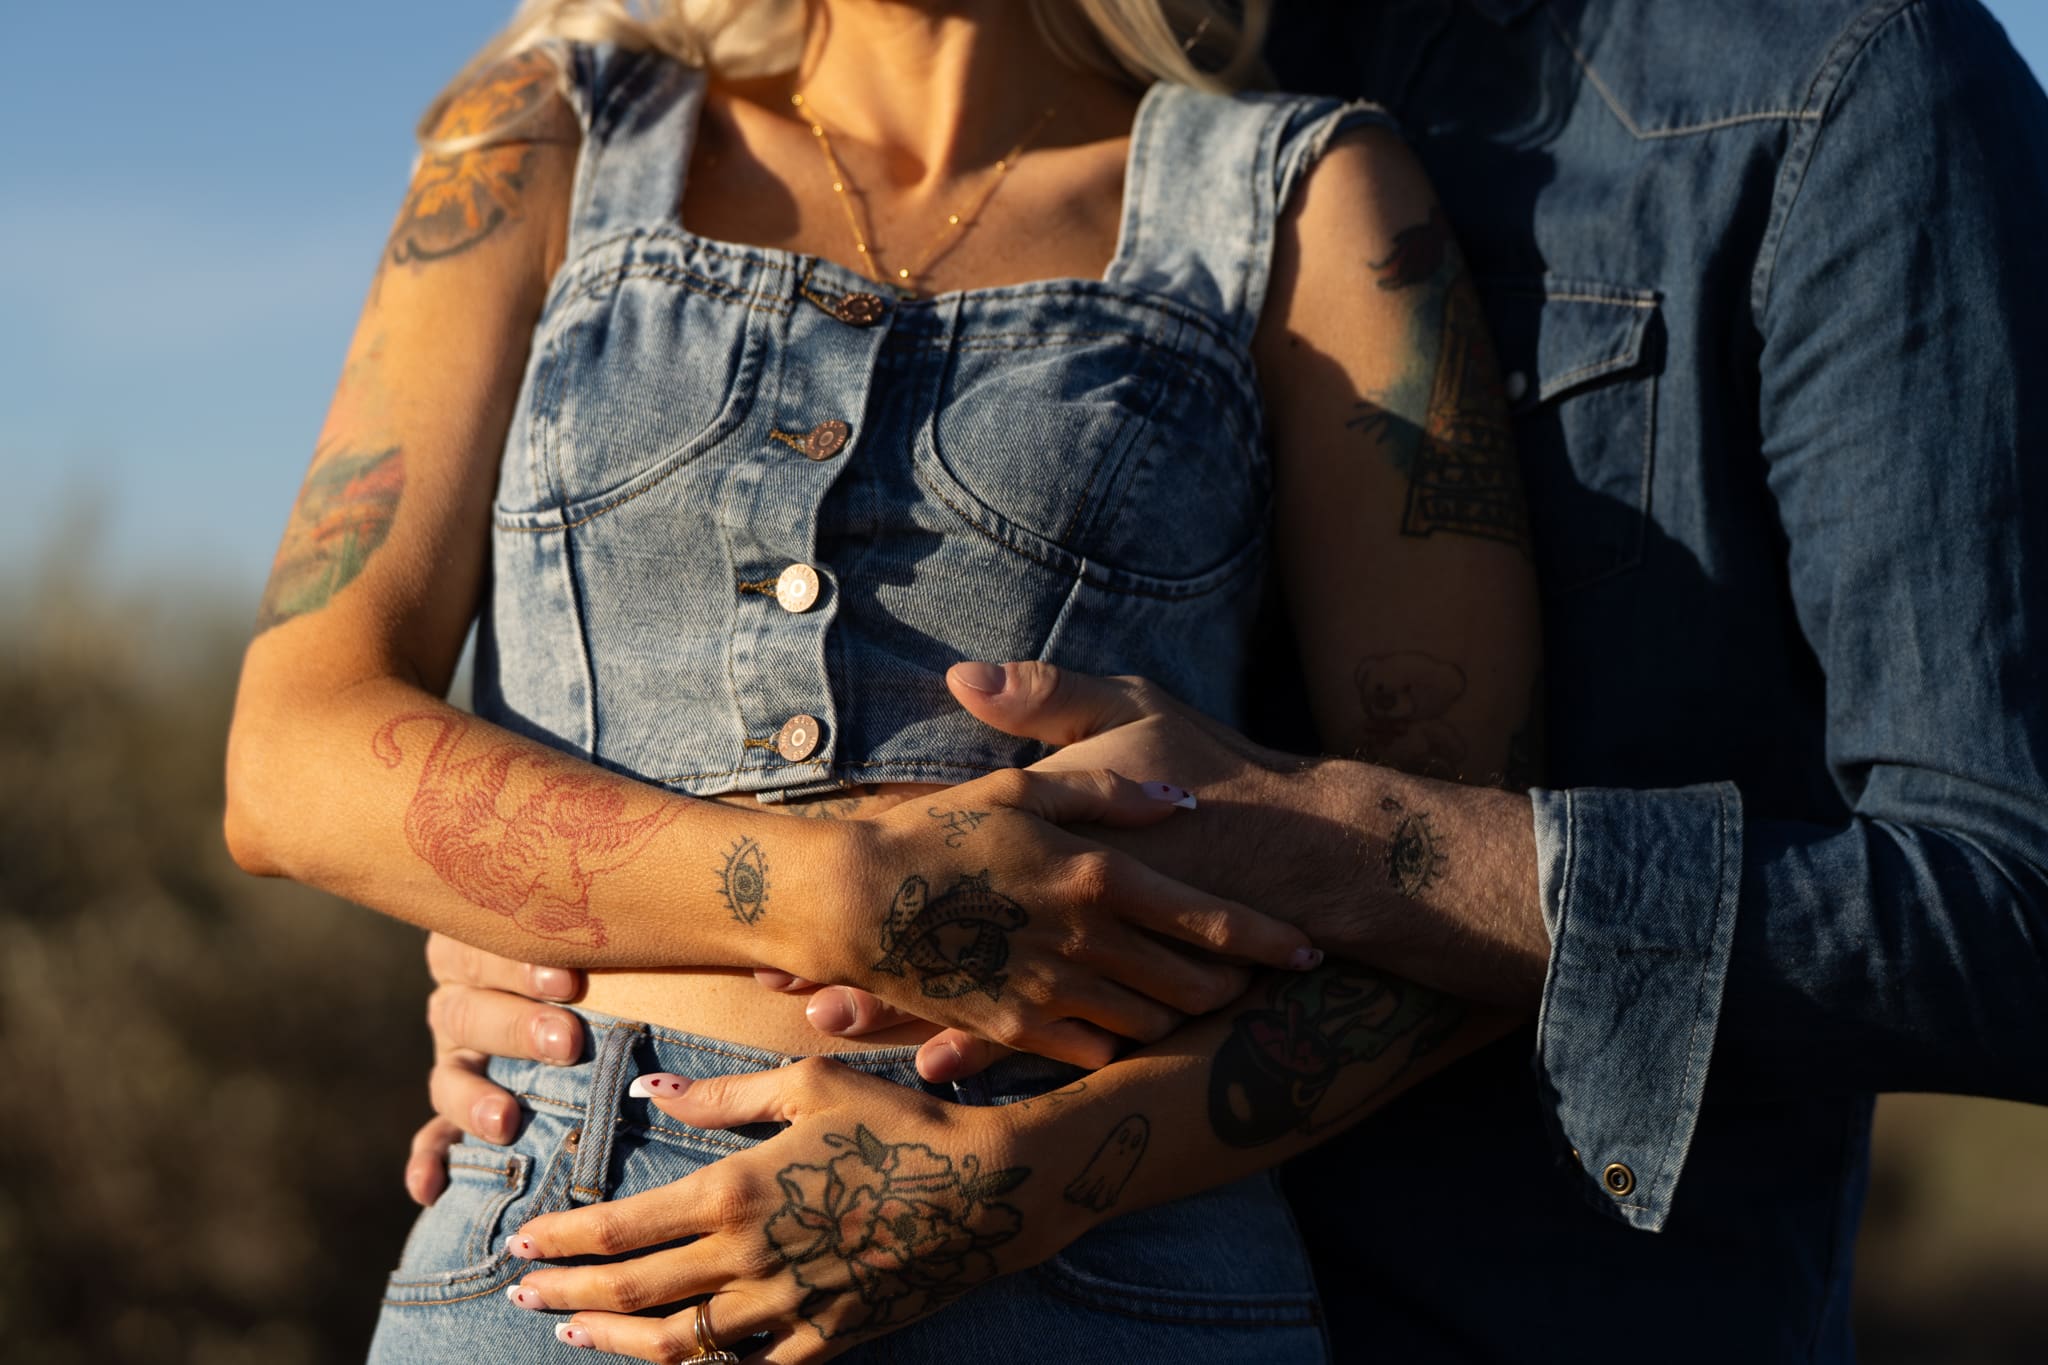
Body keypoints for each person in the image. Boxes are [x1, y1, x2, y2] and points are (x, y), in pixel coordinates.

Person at [417, 0, 2048, 1359]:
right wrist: (599, 905)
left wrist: (1359, 851)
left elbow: (2008, 900)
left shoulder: (1836, 78)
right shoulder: (1118, 65)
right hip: (710, 1214)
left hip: (1519, 1314)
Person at [225, 0, 1541, 1360]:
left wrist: (1029, 1174)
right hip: (567, 1253)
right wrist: (824, 896)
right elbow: (290, 761)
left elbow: (1464, 891)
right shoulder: (543, 135)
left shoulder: (1304, 196)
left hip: (1107, 1264)